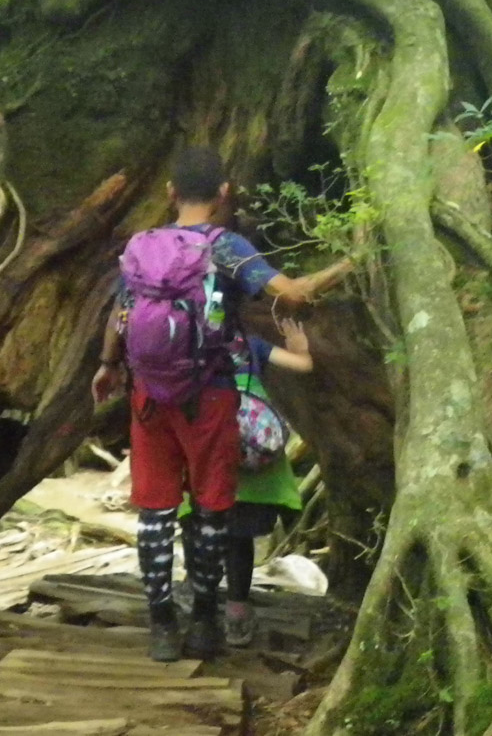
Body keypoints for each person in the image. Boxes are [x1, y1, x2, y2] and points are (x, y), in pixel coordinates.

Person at [93, 146, 347, 661]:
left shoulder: (142, 245)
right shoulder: (227, 247)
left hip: (148, 396)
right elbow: (292, 295)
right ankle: (206, 623)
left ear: (170, 193)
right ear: (225, 193)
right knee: (212, 511)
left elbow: (121, 311)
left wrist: (107, 366)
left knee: (155, 513)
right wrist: (350, 258)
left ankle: (162, 627)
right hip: (210, 393)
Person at [215, 317, 313, 648]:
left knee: (205, 528)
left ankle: (198, 606)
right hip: (254, 447)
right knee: (239, 537)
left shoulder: (189, 341)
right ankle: (237, 615)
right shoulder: (251, 344)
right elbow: (302, 365)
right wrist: (299, 347)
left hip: (208, 444)